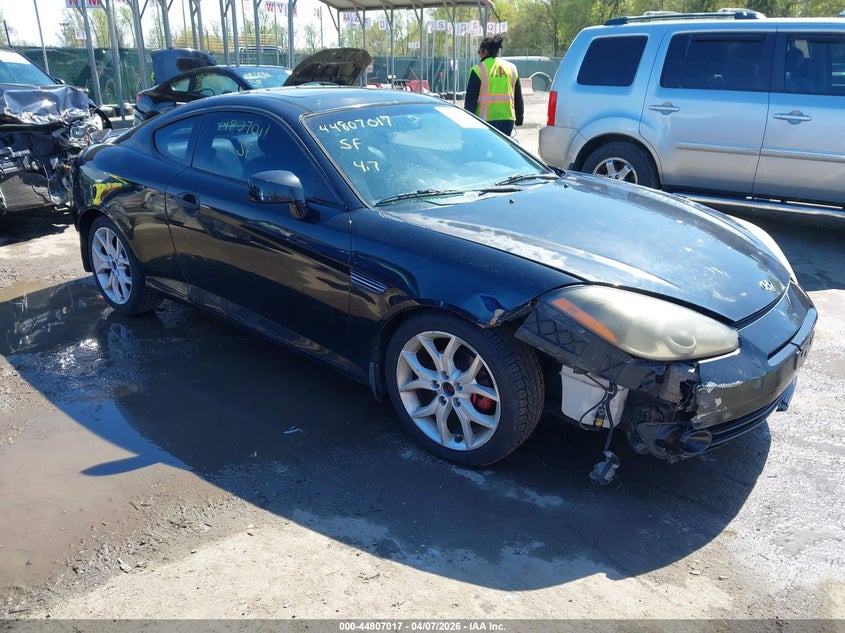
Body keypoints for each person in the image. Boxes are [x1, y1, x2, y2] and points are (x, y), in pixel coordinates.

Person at [464, 34, 524, 136]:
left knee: (482, 150)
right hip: (507, 120)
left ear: (485, 51)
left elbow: (470, 100)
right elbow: (518, 96)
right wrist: (519, 118)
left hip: (484, 121)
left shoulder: (478, 70)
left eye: (479, 52)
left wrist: (467, 121)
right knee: (502, 150)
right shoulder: (511, 68)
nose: (479, 55)